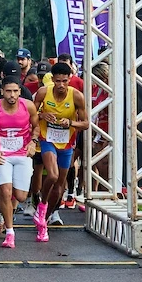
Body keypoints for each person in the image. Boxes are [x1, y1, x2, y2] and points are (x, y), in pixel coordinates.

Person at [32, 62, 88, 242]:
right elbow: (30, 115)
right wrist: (42, 115)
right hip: (47, 139)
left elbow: (86, 124)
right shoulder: (43, 92)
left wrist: (70, 123)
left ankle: (44, 218)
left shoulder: (77, 96)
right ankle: (42, 204)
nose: (61, 85)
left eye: (65, 81)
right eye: (58, 81)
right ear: (52, 80)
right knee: (53, 175)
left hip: (66, 143)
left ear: (70, 79)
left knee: (60, 186)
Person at [0, 76, 39, 248]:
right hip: (1, 154)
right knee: (5, 190)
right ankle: (10, 233)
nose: (12, 95)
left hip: (22, 154)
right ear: (2, 91)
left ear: (20, 92)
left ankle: (5, 207)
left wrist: (33, 142)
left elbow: (36, 127)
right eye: (8, 91)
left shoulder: (28, 106)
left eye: (15, 91)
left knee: (21, 196)